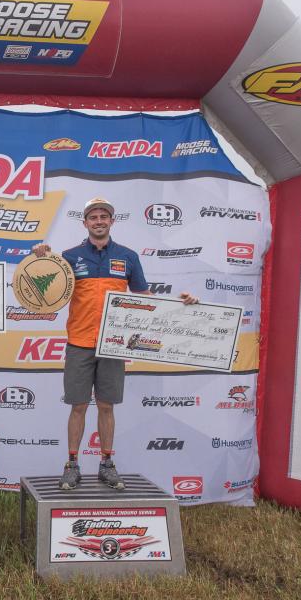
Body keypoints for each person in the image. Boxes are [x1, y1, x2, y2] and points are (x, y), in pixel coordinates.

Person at [32, 197, 198, 490]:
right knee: (78, 406)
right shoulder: (69, 256)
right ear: (85, 223)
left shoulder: (128, 256)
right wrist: (41, 257)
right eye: (93, 217)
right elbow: (43, 289)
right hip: (80, 343)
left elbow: (144, 300)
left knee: (107, 406)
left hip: (114, 344)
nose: (98, 221)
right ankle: (72, 464)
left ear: (112, 221)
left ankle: (107, 464)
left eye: (103, 216)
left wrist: (180, 305)